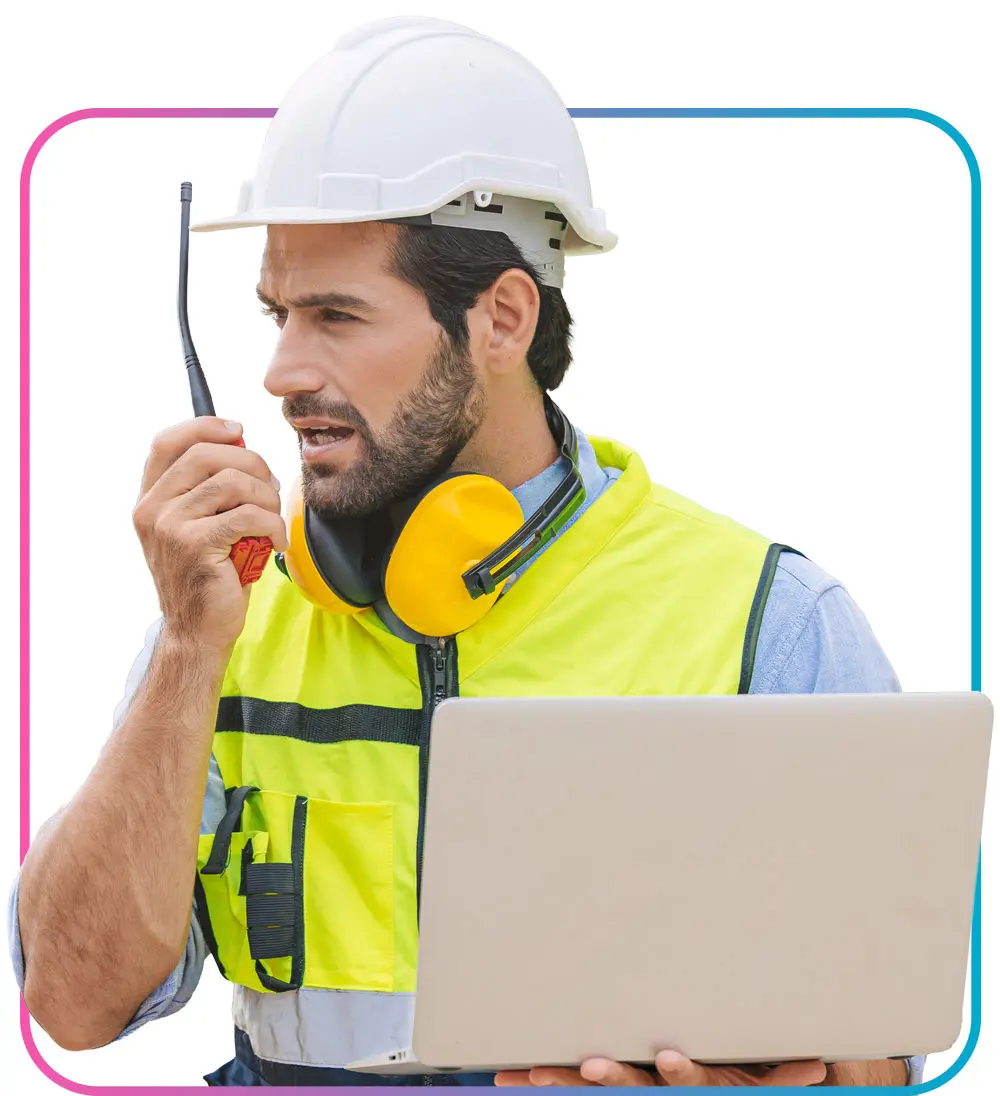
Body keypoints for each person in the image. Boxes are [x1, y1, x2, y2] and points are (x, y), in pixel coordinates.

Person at [10, 16, 919, 1088]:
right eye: (275, 313)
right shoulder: (230, 616)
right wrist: (184, 650)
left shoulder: (767, 621)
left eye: (336, 315)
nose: (281, 370)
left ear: (502, 318)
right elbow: (71, 1001)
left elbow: (880, 1054)